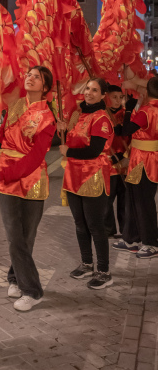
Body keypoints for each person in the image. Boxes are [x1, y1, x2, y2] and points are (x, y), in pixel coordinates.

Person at [0, 66, 56, 312]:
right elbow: (3, 135)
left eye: (37, 77)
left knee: (26, 236)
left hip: (31, 179)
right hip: (7, 178)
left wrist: (3, 173)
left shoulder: (47, 118)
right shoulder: (15, 105)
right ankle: (32, 289)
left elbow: (35, 158)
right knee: (15, 236)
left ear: (45, 87)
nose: (30, 78)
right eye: (28, 74)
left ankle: (18, 279)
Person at [58, 78, 114, 290]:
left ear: (102, 96)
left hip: (92, 176)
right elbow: (70, 140)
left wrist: (68, 152)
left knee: (95, 226)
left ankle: (104, 271)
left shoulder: (102, 119)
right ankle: (87, 263)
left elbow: (94, 151)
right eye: (88, 89)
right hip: (73, 176)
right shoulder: (79, 115)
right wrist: (62, 129)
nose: (89, 93)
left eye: (95, 90)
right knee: (80, 224)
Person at [113, 77, 158, 258]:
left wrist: (129, 108)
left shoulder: (147, 110)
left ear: (146, 92)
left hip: (143, 161)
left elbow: (127, 130)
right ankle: (131, 238)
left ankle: (151, 242)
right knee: (134, 200)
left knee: (142, 202)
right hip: (144, 159)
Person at [104, 85, 128, 237]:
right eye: (114, 97)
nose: (118, 100)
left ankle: (126, 231)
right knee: (106, 202)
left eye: (120, 97)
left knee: (125, 203)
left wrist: (125, 156)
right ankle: (108, 231)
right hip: (108, 165)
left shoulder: (127, 115)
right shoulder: (101, 115)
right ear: (106, 97)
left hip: (125, 164)